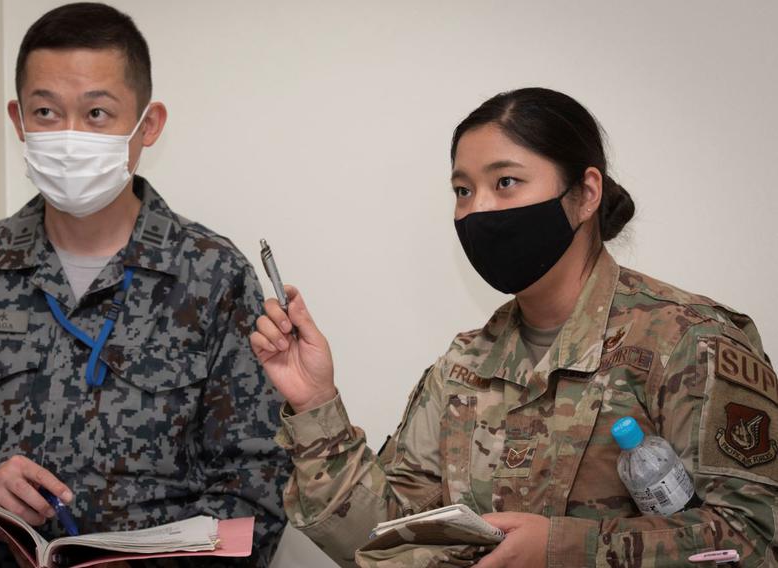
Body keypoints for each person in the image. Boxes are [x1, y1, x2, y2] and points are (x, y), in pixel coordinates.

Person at [249, 88, 778, 567]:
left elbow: (755, 539)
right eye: (462, 190)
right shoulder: (463, 367)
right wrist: (316, 405)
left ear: (586, 193)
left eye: (506, 182)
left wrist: (564, 549)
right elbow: (387, 542)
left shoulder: (690, 342)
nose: (478, 209)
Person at [0, 3, 289, 566]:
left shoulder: (213, 274)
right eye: (46, 111)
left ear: (149, 124)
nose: (68, 136)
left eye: (96, 114)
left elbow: (258, 485)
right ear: (18, 120)